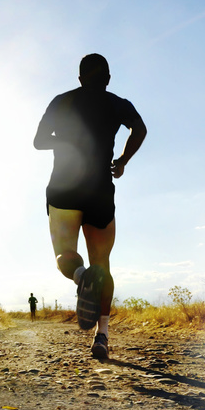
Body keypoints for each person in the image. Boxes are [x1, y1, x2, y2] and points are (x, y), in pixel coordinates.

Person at [33, 53, 147, 359]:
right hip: (100, 188)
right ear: (108, 79)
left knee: (64, 254)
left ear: (80, 78)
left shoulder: (62, 101)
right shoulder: (117, 103)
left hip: (64, 188)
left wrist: (66, 142)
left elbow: (39, 141)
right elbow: (140, 129)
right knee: (103, 263)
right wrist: (122, 160)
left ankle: (81, 276)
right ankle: (102, 336)